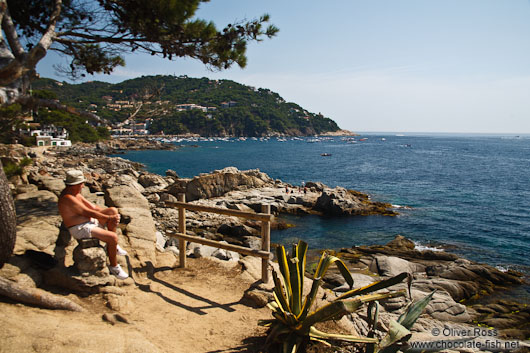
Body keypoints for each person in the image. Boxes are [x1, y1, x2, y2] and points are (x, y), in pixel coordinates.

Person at [58, 170, 128, 279]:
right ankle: (114, 266)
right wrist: (109, 218)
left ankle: (113, 247)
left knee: (113, 210)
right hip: (80, 228)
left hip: (88, 221)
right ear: (73, 185)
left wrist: (111, 215)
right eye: (81, 183)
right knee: (113, 237)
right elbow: (87, 212)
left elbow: (94, 208)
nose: (82, 186)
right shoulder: (68, 198)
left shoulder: (75, 194)